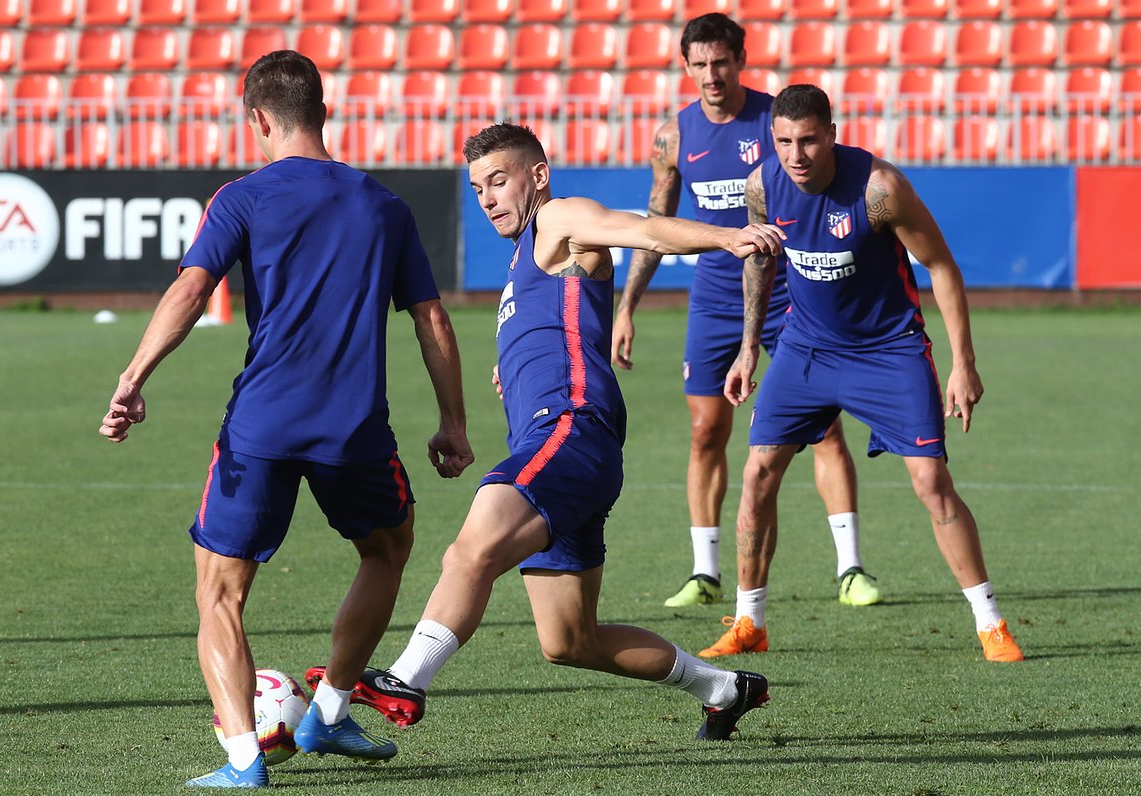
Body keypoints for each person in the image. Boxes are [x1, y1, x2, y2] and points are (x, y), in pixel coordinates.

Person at [307, 122, 785, 742]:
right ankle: (722, 687)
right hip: (567, 450)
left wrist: (729, 237)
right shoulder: (522, 260)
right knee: (569, 640)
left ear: (537, 175)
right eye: (478, 187)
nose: (488, 198)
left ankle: (404, 679)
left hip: (569, 433)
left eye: (499, 180)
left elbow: (640, 228)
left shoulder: (559, 217)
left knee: (469, 550)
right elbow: (553, 330)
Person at [98, 51, 475, 788]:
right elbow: (431, 318)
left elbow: (191, 289)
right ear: (325, 113)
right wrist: (452, 422)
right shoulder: (384, 206)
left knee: (220, 591)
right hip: (354, 428)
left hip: (262, 428)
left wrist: (133, 377)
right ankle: (329, 710)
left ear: (259, 119)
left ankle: (245, 761)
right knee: (388, 547)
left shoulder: (241, 198)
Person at [706, 83, 1024, 663]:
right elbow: (761, 262)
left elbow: (942, 266)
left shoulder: (880, 189)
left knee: (931, 484)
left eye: (807, 140)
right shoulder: (762, 186)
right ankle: (750, 621)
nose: (795, 155)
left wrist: (963, 365)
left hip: (888, 350)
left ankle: (991, 624)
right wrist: (750, 346)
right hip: (806, 349)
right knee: (757, 475)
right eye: (783, 142)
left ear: (832, 133)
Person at [611, 13, 881, 614]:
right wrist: (627, 306)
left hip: (792, 294)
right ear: (686, 68)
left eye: (722, 62)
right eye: (700, 64)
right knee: (707, 430)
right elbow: (657, 223)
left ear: (740, 59)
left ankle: (851, 567)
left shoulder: (775, 122)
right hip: (713, 301)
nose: (712, 75)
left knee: (824, 429)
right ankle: (705, 572)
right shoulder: (673, 137)